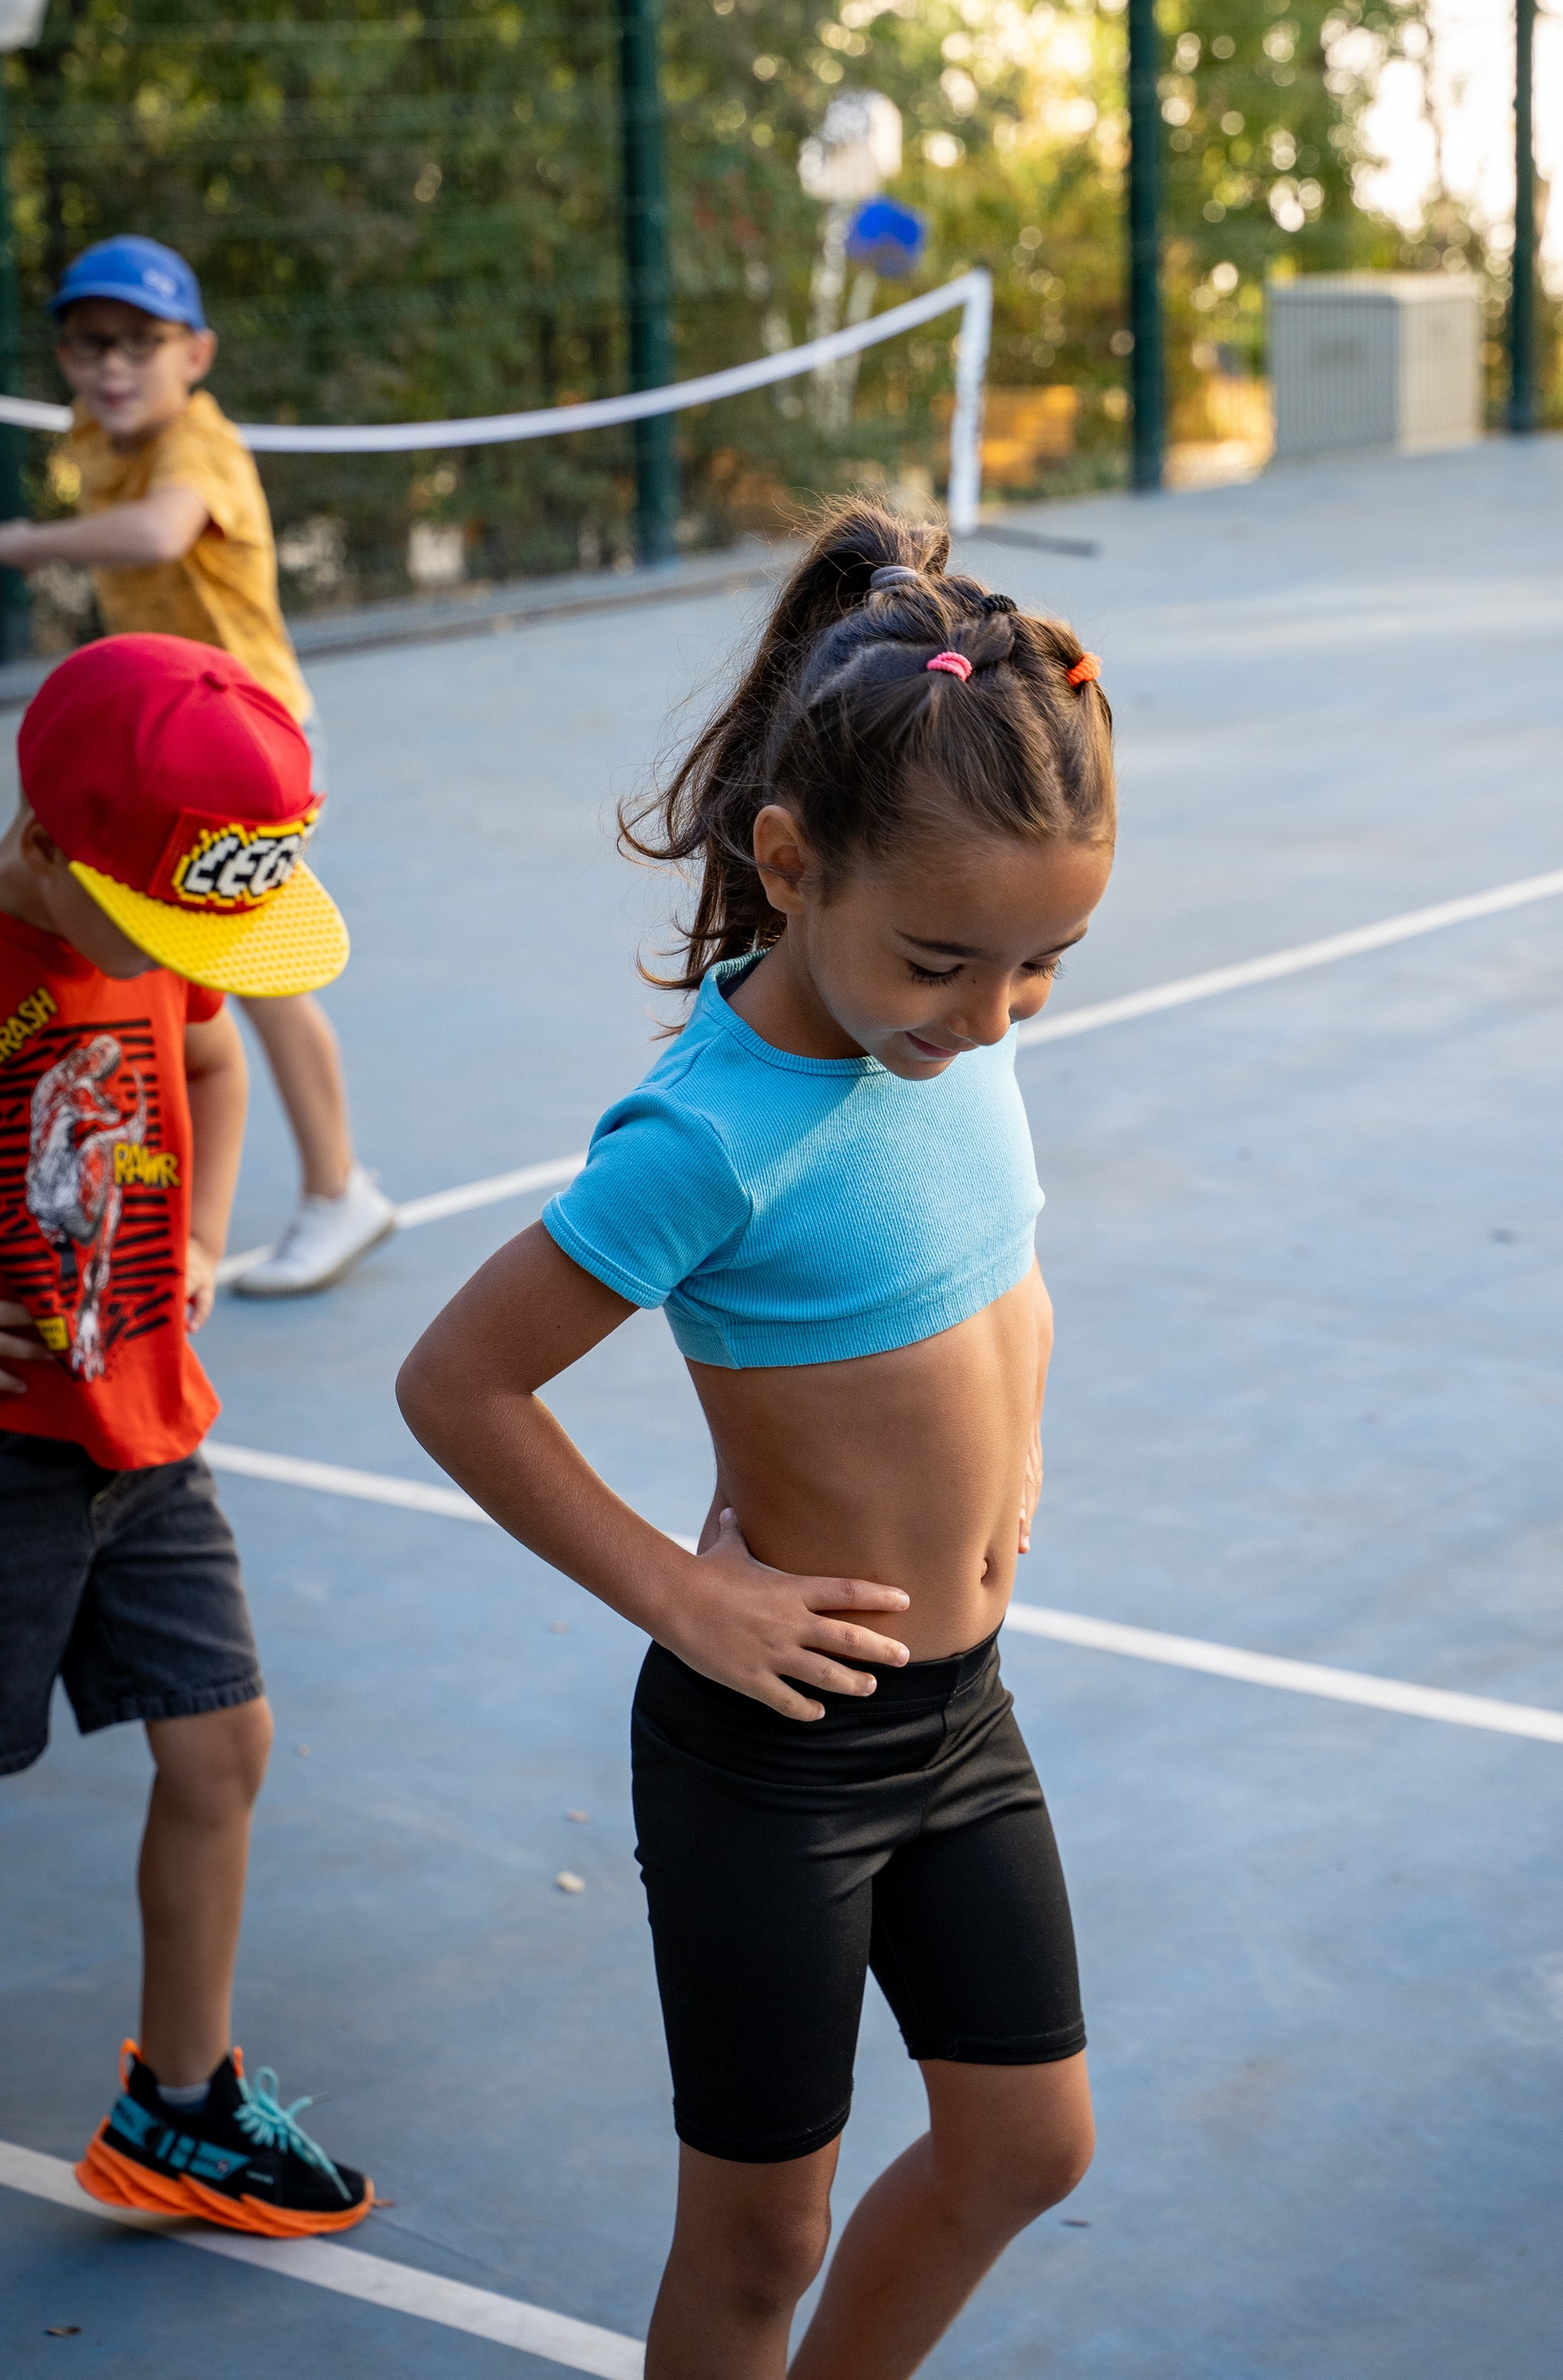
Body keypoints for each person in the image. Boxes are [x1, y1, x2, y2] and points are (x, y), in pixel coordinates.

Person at [399, 500, 1114, 2379]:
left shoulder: (949, 1039)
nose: (989, 1015)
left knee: (1029, 2148)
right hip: (774, 1759)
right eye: (949, 961)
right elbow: (457, 1385)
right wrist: (682, 1599)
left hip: (960, 1714)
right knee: (756, 2236)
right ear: (790, 867)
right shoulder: (707, 1136)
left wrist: (1012, 1444)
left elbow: (1000, 1262)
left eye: (1036, 970)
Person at [0, 631, 372, 2234]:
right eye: (157, 926)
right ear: (40, 843)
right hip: (7, 1461)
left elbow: (211, 1060)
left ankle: (181, 2106)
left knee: (222, 1743)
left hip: (145, 1430)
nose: (182, 958)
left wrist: (206, 1230)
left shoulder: (166, 921)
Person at [0, 235, 393, 1296]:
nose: (113, 365)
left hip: (241, 743)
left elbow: (161, 533)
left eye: (140, 342)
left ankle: (336, 1187)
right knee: (172, 967)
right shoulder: (97, 432)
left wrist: (25, 541)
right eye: (88, 345)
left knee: (244, 970)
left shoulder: (198, 448)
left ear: (198, 353)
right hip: (163, 749)